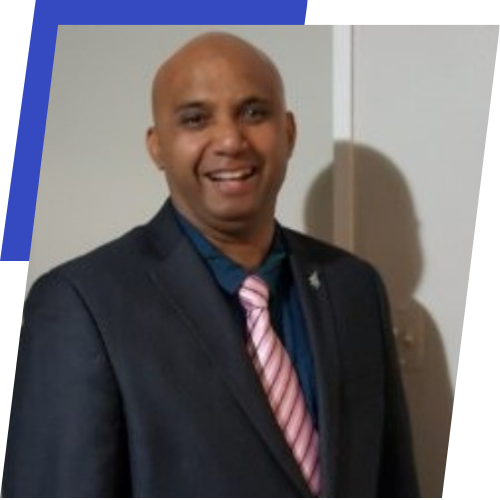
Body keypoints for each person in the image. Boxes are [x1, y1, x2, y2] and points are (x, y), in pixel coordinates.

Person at [2, 32, 419, 497]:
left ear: (288, 132)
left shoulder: (354, 289)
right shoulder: (82, 305)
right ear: (157, 146)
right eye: (196, 119)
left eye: (253, 113)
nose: (230, 140)